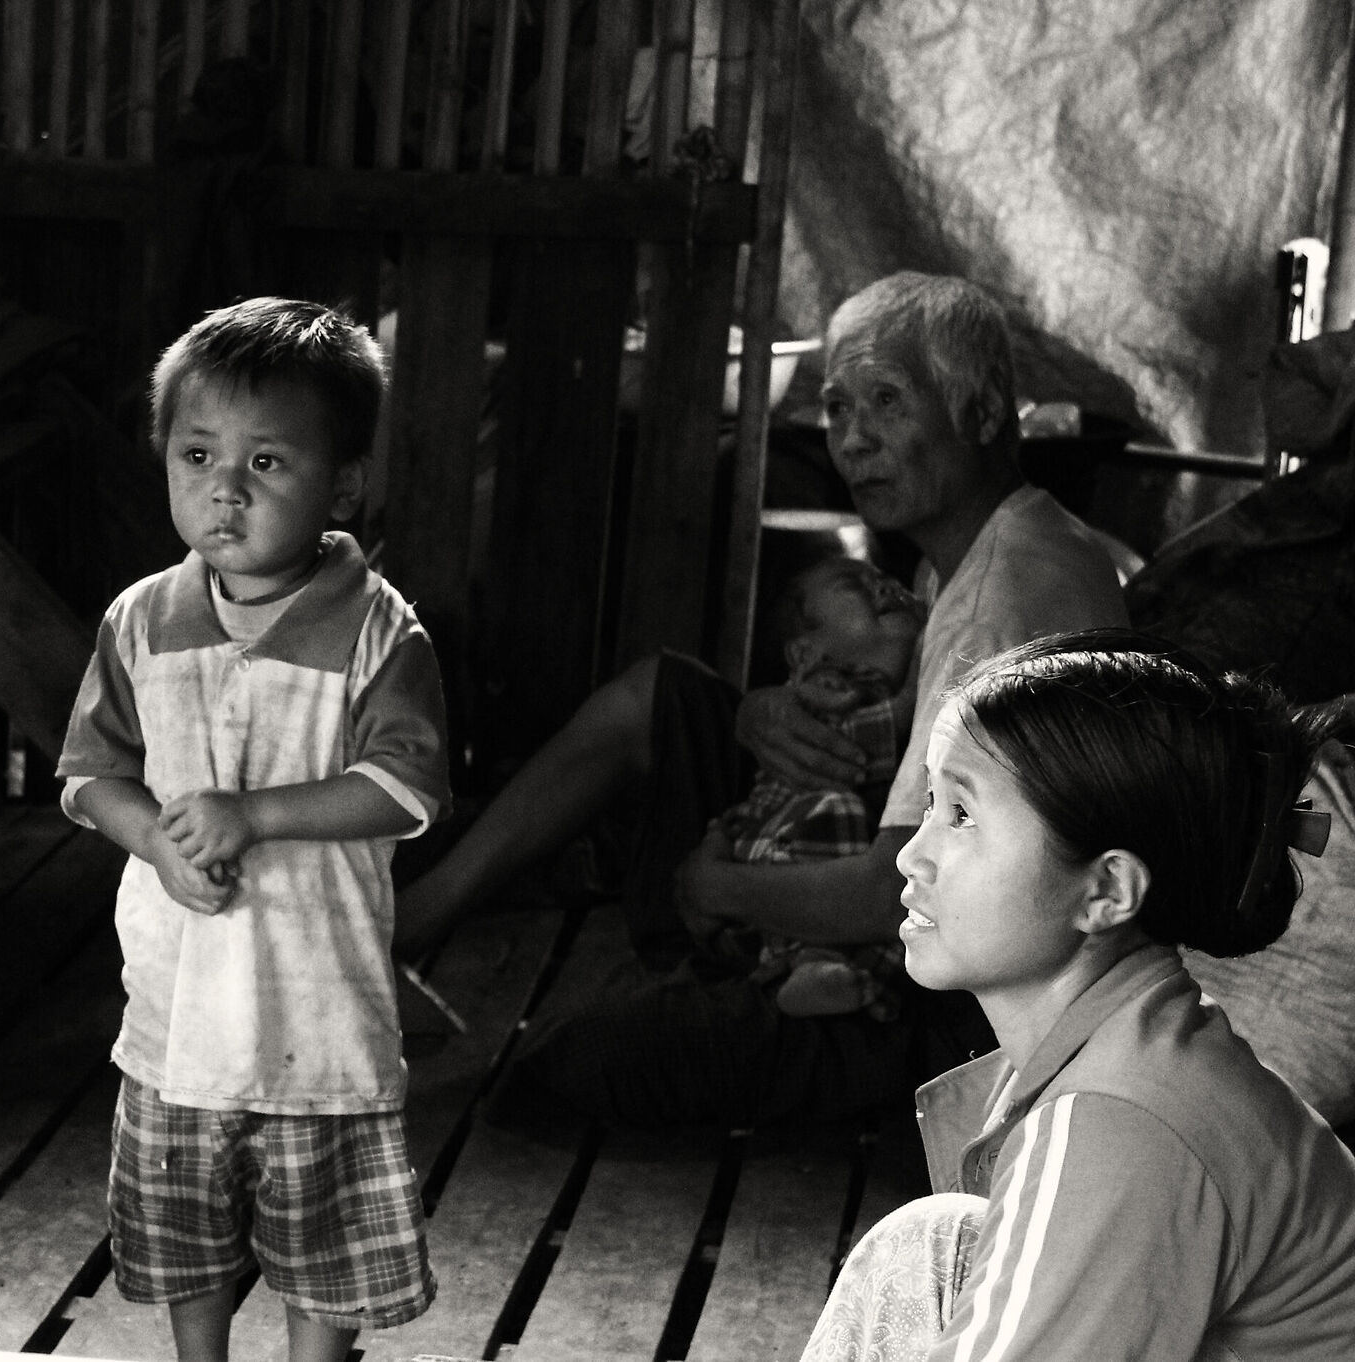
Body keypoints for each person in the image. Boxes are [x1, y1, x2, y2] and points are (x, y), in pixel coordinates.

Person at [396, 272, 1129, 1127]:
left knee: (557, 1066)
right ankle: (417, 922)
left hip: (952, 1009)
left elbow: (881, 897)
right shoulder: (997, 541)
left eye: (887, 402)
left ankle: (727, 961)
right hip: (915, 900)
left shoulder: (994, 603)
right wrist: (756, 716)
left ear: (982, 411)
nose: (854, 440)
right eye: (839, 407)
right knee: (667, 697)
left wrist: (718, 885)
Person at [55, 298, 449, 1362]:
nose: (225, 489)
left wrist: (252, 815)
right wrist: (155, 840)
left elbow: (407, 787)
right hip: (179, 1006)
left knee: (326, 1232)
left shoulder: (377, 628)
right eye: (197, 455)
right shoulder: (139, 622)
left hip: (319, 1006)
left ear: (344, 487)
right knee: (185, 1225)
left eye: (268, 461)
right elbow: (88, 773)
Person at [800, 632, 1355, 1361]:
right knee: (932, 1244)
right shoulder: (1135, 1053)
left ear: (1106, 891)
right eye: (931, 803)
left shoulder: (1122, 1124)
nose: (912, 855)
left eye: (962, 816)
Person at [710, 556, 924, 1020]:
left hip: (832, 871)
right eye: (856, 585)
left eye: (886, 578)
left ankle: (830, 978)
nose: (885, 586)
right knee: (837, 813)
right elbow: (860, 747)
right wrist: (915, 691)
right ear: (803, 654)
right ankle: (808, 967)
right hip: (783, 845)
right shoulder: (824, 688)